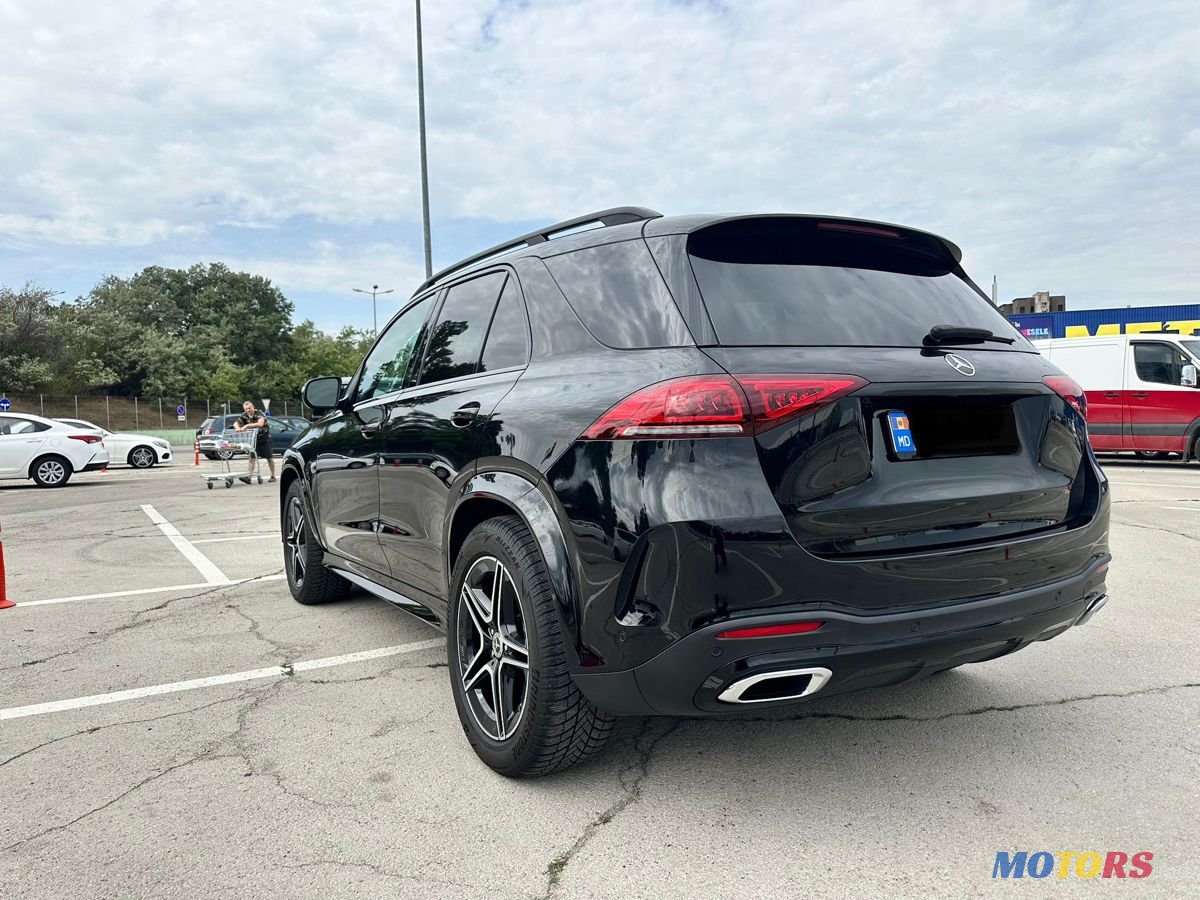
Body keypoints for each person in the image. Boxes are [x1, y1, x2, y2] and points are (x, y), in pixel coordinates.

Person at [233, 400, 275, 483]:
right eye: (246, 409)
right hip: (253, 439)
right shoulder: (244, 415)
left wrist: (247, 426)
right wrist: (237, 427)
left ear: (253, 407)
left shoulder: (259, 413)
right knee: (252, 458)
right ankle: (249, 477)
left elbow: (260, 424)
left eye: (249, 408)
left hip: (264, 438)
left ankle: (273, 476)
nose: (248, 410)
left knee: (269, 457)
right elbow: (236, 423)